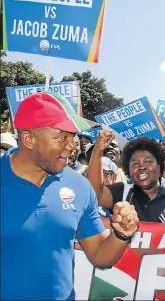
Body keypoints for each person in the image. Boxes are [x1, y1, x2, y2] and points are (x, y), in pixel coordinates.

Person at [1, 92, 139, 300]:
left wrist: (122, 234)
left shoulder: (79, 186)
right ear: (29, 139)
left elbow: (100, 255)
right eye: (62, 136)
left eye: (73, 136)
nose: (73, 146)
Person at [87, 131, 165, 223]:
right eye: (135, 164)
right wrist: (98, 151)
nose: (142, 167)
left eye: (148, 161)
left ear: (159, 165)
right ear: (128, 169)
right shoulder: (123, 192)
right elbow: (95, 195)